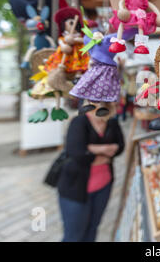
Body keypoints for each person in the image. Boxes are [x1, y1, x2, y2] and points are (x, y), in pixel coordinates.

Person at [57, 102, 125, 242]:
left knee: (92, 229)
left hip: (103, 186)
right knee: (74, 235)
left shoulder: (111, 122)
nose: (98, 103)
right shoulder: (79, 121)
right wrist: (105, 152)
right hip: (76, 190)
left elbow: (120, 147)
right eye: (94, 100)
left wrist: (92, 148)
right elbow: (77, 153)